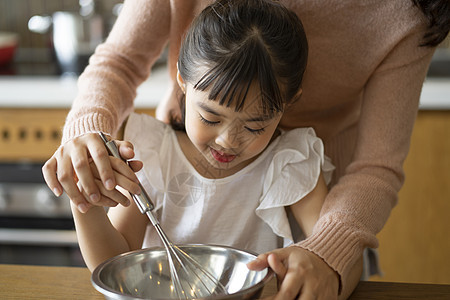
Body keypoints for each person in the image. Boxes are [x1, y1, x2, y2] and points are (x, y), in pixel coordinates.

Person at [42, 0, 450, 299]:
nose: (227, 141)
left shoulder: (291, 164)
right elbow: (113, 262)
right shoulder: (151, 152)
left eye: (254, 125)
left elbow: (351, 230)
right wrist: (87, 196)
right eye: (212, 117)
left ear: (289, 105)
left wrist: (327, 255)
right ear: (184, 81)